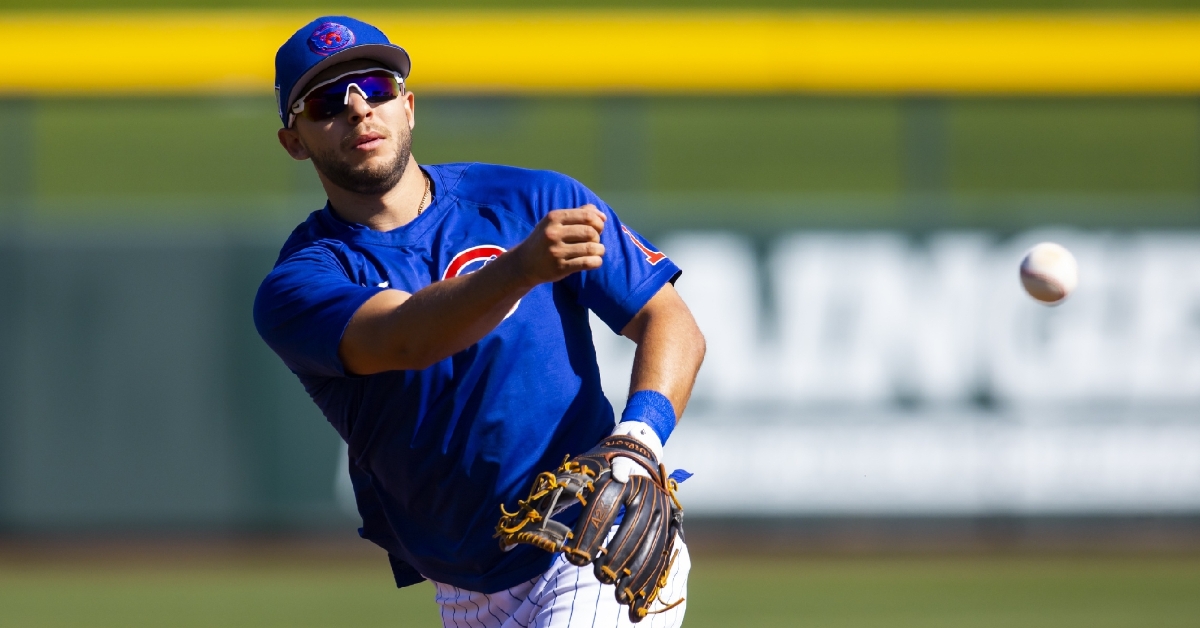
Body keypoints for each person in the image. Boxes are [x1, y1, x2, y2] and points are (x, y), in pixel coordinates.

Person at [253, 16, 705, 628]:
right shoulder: (301, 282)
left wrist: (640, 438)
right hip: (462, 589)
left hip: (591, 540)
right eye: (329, 101)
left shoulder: (528, 201)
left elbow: (668, 319)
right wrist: (518, 270)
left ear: (408, 107)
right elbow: (406, 336)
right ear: (295, 140)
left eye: (377, 89)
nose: (360, 111)